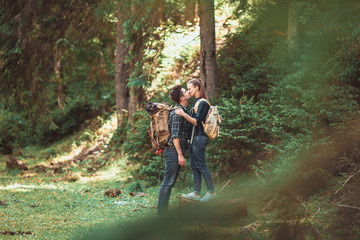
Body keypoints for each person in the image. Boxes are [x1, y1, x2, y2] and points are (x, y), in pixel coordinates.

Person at [175, 78, 216, 202]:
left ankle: (211, 192)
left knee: (201, 164)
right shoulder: (196, 102)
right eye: (187, 89)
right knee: (194, 166)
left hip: (200, 138)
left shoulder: (202, 102)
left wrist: (183, 114)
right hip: (193, 139)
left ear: (197, 88)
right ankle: (197, 193)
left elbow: (197, 122)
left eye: (189, 88)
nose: (188, 91)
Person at [157, 85, 190, 215]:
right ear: (182, 98)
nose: (188, 91)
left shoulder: (182, 111)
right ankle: (161, 214)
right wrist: (180, 155)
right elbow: (175, 136)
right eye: (185, 91)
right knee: (168, 182)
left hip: (175, 150)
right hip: (173, 151)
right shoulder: (177, 113)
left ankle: (163, 212)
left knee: (170, 181)